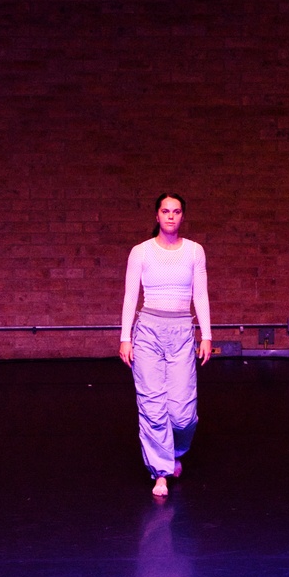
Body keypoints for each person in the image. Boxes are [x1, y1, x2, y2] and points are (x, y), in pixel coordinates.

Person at [118, 193, 212, 498]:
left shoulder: (194, 251)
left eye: (176, 211)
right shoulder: (141, 252)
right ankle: (160, 471)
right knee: (152, 406)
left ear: (182, 216)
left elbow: (200, 295)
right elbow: (131, 296)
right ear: (157, 216)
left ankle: (174, 453)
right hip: (148, 331)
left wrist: (207, 335)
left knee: (183, 413)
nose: (171, 216)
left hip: (182, 331)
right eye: (165, 211)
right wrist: (125, 337)